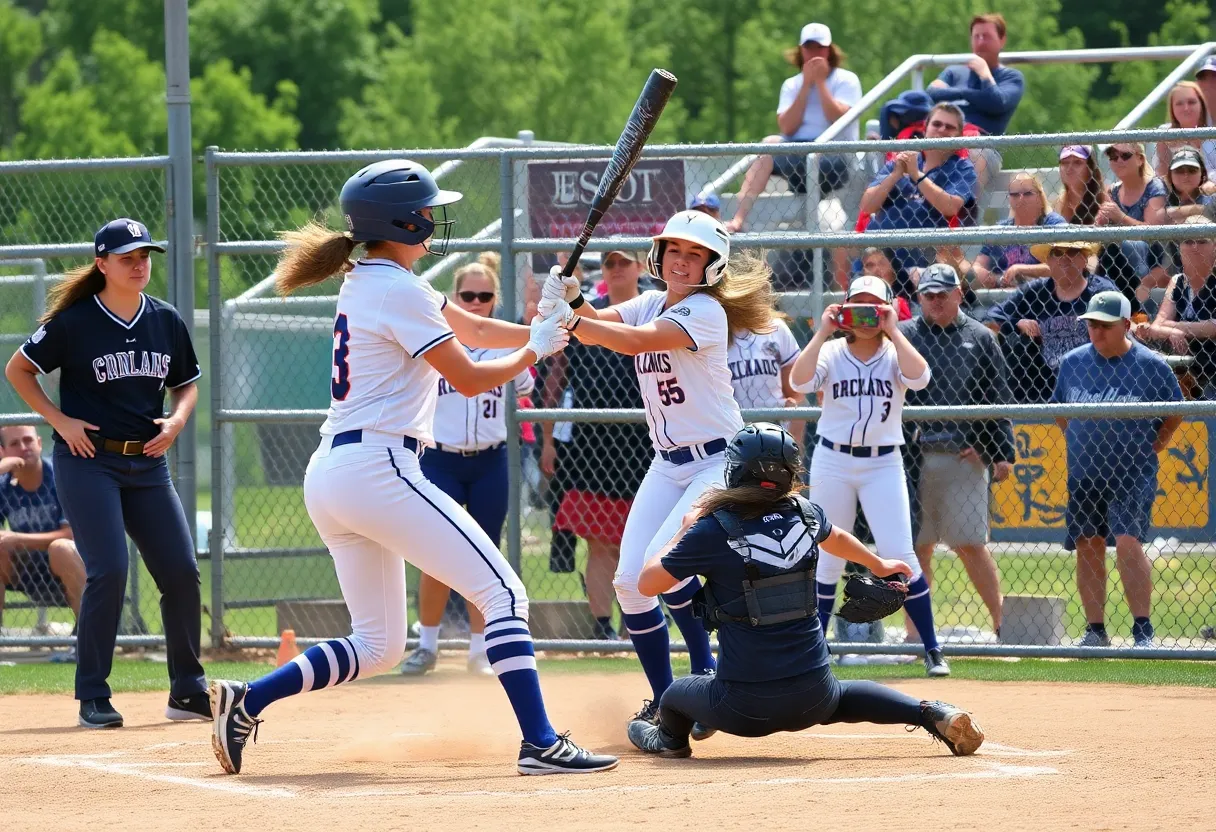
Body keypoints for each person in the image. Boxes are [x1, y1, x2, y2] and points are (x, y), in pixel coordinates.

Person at [206, 160, 616, 776]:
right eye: (425, 211)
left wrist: (544, 327)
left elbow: (471, 326)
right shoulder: (397, 288)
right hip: (379, 466)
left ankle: (248, 699)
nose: (434, 219)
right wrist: (534, 348)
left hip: (337, 473)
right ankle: (540, 741)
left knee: (378, 644)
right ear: (398, 221)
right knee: (504, 592)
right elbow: (470, 373)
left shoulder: (375, 279)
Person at [538, 209, 778, 726]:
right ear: (659, 255)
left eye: (696, 255)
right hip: (667, 464)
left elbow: (634, 341)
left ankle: (704, 675)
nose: (683, 262)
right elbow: (603, 324)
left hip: (716, 460)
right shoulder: (652, 300)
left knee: (660, 571)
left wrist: (572, 316)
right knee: (630, 582)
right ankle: (670, 700)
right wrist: (572, 299)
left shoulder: (705, 312)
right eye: (676, 251)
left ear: (713, 266)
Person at [625, 423, 985, 759]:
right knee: (840, 693)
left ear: (736, 470)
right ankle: (929, 712)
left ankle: (668, 741)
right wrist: (878, 563)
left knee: (674, 694)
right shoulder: (805, 514)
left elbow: (647, 583)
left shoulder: (711, 530)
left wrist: (685, 529)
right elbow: (837, 536)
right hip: (815, 698)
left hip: (742, 709)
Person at [5, 218, 207, 729]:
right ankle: (93, 692)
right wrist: (59, 419)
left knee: (181, 571)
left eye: (145, 256)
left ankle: (188, 688)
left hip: (149, 462)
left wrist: (178, 420)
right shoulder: (74, 322)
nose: (140, 264)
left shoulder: (166, 319)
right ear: (102, 265)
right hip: (88, 462)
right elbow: (18, 369)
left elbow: (186, 384)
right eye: (127, 258)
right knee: (109, 569)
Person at [789, 275, 950, 676]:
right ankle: (814, 650)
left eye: (873, 308)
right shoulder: (830, 350)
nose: (864, 317)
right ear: (843, 310)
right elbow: (799, 381)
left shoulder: (896, 353)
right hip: (833, 460)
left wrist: (893, 329)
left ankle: (932, 650)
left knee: (901, 554)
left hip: (883, 462)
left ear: (887, 309)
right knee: (825, 557)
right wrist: (823, 329)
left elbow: (921, 378)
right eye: (856, 307)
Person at [399, 261, 535, 677]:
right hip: (440, 459)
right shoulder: (436, 338)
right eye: (467, 296)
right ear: (453, 299)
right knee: (435, 553)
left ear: (495, 301)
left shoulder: (504, 344)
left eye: (485, 297)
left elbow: (526, 387)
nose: (476, 303)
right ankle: (426, 645)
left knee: (485, 552)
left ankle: (480, 651)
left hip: (490, 460)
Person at [1053, 291, 1183, 648]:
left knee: (1127, 543)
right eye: (1092, 324)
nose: (1096, 332)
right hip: (1084, 473)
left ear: (1126, 325)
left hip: (1132, 472)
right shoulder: (1073, 362)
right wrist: (1082, 441)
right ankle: (1095, 630)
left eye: (1105, 326)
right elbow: (1060, 411)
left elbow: (1175, 411)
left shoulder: (1151, 365)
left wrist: (1159, 441)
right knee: (1088, 544)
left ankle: (1142, 628)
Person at [543, 247, 652, 641]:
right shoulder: (584, 312)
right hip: (591, 442)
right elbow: (557, 375)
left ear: (640, 267)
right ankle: (602, 627)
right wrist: (547, 440)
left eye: (626, 262)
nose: (618, 268)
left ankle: (636, 627)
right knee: (600, 542)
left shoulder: (653, 310)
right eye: (610, 263)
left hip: (645, 442)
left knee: (639, 543)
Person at [900, 265, 1013, 637]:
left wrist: (999, 451)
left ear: (958, 294)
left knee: (970, 544)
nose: (934, 301)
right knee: (919, 548)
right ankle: (917, 637)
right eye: (928, 295)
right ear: (919, 298)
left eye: (941, 294)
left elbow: (998, 396)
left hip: (964, 455)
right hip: (913, 457)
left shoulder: (979, 337)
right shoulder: (905, 335)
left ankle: (1003, 624)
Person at [726, 23, 862, 233]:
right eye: (809, 48)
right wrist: (807, 85)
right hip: (797, 153)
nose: (814, 53)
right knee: (768, 145)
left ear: (829, 50)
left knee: (814, 160)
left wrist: (821, 83)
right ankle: (738, 219)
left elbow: (837, 118)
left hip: (834, 156)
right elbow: (787, 128)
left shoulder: (847, 80)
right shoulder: (792, 84)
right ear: (801, 50)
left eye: (820, 48)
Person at [985, 240, 1124, 403]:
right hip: (1042, 385)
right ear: (1048, 261)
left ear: (1084, 259)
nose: (1065, 258)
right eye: (1057, 253)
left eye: (1072, 252)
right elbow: (991, 317)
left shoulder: (1102, 292)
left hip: (1094, 384)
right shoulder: (1035, 292)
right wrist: (1017, 323)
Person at [859, 103, 977, 279]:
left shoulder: (962, 168)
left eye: (950, 127)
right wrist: (896, 175)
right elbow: (867, 206)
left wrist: (917, 175)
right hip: (880, 255)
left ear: (959, 135)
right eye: (937, 124)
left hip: (925, 258)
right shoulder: (900, 161)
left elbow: (950, 207)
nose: (942, 130)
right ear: (925, 128)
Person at [0, 425, 85, 631]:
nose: (23, 447)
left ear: (39, 443)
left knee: (61, 548)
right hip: (24, 570)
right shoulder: (3, 485)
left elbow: (71, 535)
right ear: (3, 452)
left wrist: (16, 538)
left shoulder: (61, 477)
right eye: (14, 443)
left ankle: (86, 640)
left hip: (69, 565)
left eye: (28, 440)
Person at [924, 13, 1026, 185]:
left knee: (975, 148)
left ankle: (968, 211)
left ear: (1002, 40)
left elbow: (996, 102)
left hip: (982, 149)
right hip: (942, 140)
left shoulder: (1011, 77)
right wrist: (969, 94)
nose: (980, 42)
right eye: (976, 36)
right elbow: (932, 92)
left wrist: (985, 75)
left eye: (986, 37)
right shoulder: (954, 71)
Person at [1133, 216, 1216, 398]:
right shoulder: (1177, 281)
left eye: (1202, 240)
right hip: (1182, 360)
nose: (1194, 247)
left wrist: (1176, 327)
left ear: (1215, 247)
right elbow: (1156, 325)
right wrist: (1171, 332)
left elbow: (1214, 327)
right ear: (1180, 248)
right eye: (1188, 241)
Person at [1096, 141, 1168, 303]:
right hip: (1118, 259)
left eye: (1125, 156)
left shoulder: (1154, 187)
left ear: (1140, 159)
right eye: (1113, 157)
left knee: (1125, 245)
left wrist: (1120, 217)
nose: (1119, 160)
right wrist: (1100, 222)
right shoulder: (1112, 191)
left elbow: (1154, 232)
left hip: (1150, 258)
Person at [968, 173, 1067, 288]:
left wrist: (1021, 269)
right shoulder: (1001, 230)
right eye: (1015, 194)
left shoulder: (1053, 223)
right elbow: (979, 264)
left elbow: (1064, 264)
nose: (1021, 199)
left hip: (1044, 294)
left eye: (1027, 193)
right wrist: (980, 272)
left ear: (1040, 197)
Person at [726, 311, 804, 439]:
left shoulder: (775, 327)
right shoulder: (715, 331)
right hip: (734, 432)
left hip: (776, 432)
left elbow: (794, 391)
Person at [1154, 82, 1216, 180]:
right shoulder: (1164, 133)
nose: (1186, 108)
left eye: (1191, 102)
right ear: (1172, 108)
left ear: (1201, 104)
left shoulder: (1213, 134)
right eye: (1179, 104)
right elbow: (1162, 175)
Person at [1054, 145, 1108, 226]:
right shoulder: (1058, 204)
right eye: (1064, 163)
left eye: (1077, 162)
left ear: (1090, 169)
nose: (1069, 168)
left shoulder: (1104, 201)